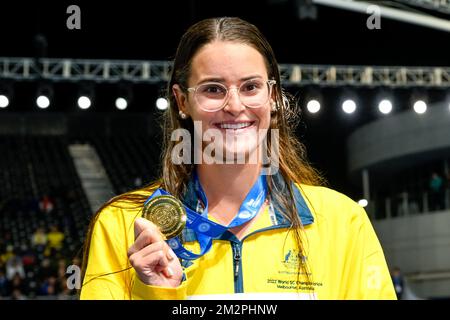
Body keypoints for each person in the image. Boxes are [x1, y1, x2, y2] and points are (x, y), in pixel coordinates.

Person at [80, 17, 396, 300]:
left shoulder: (341, 221)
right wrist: (157, 294)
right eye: (213, 89)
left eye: (250, 87)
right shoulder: (123, 226)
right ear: (182, 102)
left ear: (272, 97)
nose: (234, 105)